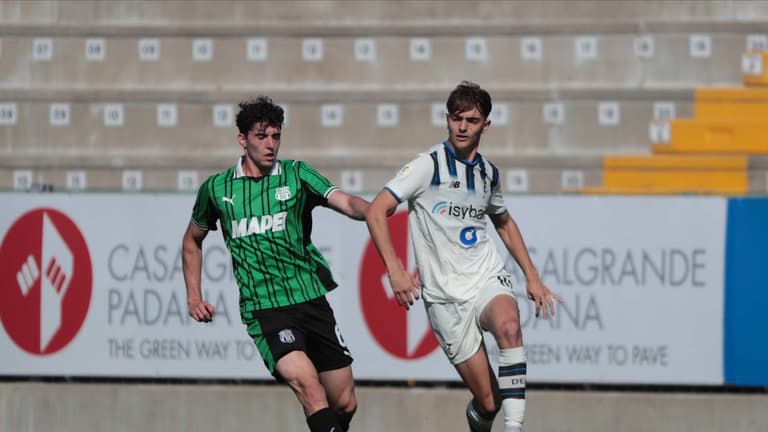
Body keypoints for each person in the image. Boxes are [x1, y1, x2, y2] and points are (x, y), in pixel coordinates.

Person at [365, 81, 562, 432]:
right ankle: (482, 416)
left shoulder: (488, 173)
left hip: (485, 275)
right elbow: (377, 210)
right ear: (447, 119)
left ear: (486, 125)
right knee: (488, 402)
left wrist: (531, 275)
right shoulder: (428, 166)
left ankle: (515, 428)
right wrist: (395, 269)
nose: (462, 127)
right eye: (457, 119)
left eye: (471, 120)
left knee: (510, 327)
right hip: (444, 297)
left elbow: (503, 221)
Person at [182, 96, 368, 432]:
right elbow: (192, 240)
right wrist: (194, 295)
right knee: (309, 387)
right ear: (242, 139)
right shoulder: (217, 189)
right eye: (261, 136)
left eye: (276, 136)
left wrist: (376, 211)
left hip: (311, 299)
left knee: (344, 402)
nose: (270, 145)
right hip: (266, 309)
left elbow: (346, 201)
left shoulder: (297, 174)